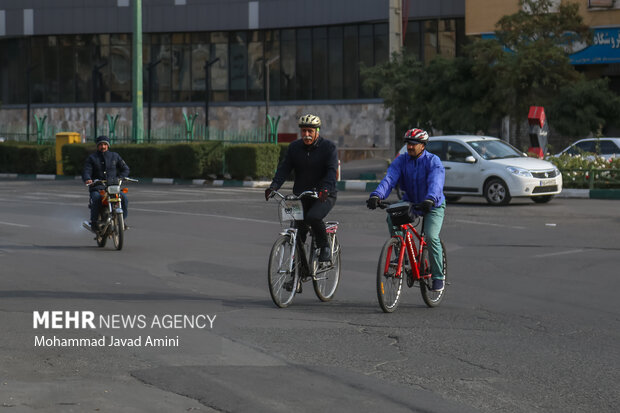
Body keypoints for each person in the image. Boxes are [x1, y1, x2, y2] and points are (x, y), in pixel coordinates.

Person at [366, 128, 446, 291]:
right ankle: (402, 257)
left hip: (433, 204)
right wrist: (377, 195)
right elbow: (390, 178)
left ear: (423, 145)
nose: (410, 146)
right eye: (408, 143)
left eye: (414, 144)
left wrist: (430, 199)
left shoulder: (433, 161)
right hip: (410, 201)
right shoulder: (401, 161)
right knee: (391, 217)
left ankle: (438, 276)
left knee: (430, 237)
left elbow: (436, 182)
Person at [265, 114, 338, 262]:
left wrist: (325, 189)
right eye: (304, 131)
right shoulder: (294, 148)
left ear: (317, 131)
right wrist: (274, 186)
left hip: (323, 195)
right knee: (297, 228)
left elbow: (331, 172)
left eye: (310, 131)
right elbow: (284, 169)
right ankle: (298, 268)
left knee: (313, 217)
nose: (306, 135)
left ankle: (324, 247)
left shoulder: (328, 148)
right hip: (301, 196)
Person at [82, 135, 130, 231]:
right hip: (97, 187)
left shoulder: (115, 156)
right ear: (97, 146)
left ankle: (122, 221)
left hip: (113, 186)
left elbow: (125, 168)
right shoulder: (92, 158)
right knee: (96, 199)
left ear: (108, 146)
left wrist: (121, 177)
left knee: (123, 198)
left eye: (105, 144)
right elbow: (86, 171)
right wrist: (88, 179)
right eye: (100, 144)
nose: (103, 146)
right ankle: (94, 223)